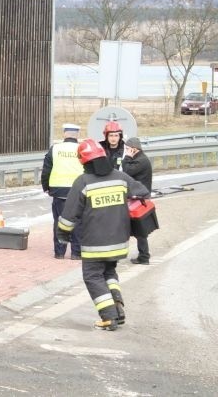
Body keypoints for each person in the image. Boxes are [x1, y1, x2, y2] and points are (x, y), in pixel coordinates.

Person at [57, 138, 150, 331]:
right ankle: (117, 307)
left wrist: (63, 234)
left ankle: (108, 316)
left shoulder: (83, 182)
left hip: (95, 243)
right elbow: (142, 191)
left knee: (92, 276)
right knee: (108, 272)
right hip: (119, 241)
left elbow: (68, 215)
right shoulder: (120, 177)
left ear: (83, 161)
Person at [41, 123, 84, 260]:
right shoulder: (82, 149)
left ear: (64, 134)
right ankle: (76, 253)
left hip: (59, 191)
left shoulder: (55, 149)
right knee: (77, 222)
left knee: (60, 222)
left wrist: (46, 187)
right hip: (78, 192)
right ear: (77, 135)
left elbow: (46, 170)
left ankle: (59, 252)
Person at [122, 137, 158, 265]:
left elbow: (126, 171)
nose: (125, 151)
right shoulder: (139, 159)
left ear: (133, 149)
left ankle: (144, 256)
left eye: (127, 149)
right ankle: (143, 256)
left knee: (140, 229)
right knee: (137, 229)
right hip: (137, 197)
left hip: (139, 199)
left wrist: (127, 157)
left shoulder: (141, 161)